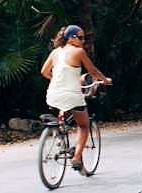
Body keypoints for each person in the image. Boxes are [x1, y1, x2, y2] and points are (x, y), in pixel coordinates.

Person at [41, 25, 111, 173]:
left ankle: (60, 131)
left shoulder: (55, 52)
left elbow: (44, 71)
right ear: (71, 38)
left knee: (63, 110)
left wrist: (57, 79)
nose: (83, 41)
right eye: (80, 37)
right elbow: (92, 71)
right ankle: (77, 158)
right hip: (72, 96)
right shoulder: (78, 52)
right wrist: (105, 80)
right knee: (84, 126)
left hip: (52, 95)